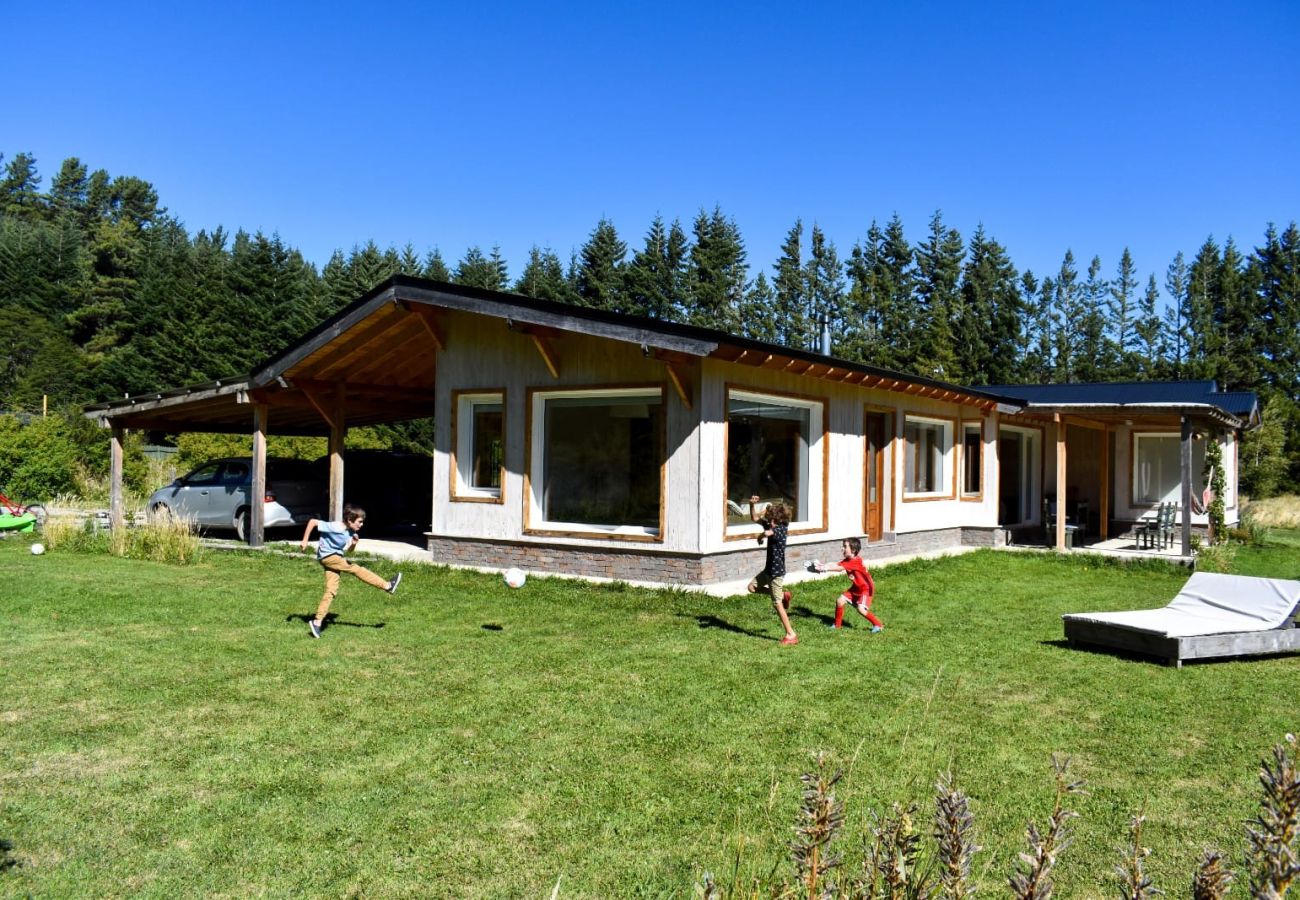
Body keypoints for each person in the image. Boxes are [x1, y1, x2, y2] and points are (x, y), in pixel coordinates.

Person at [301, 503, 402, 638]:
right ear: (350, 520)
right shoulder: (336, 527)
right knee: (355, 568)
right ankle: (387, 585)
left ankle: (317, 622)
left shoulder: (350, 532)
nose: (361, 524)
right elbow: (312, 522)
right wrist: (305, 541)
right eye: (359, 522)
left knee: (331, 589)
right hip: (328, 557)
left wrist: (353, 544)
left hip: (334, 558)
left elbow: (349, 551)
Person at [748, 495, 798, 645]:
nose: (770, 523)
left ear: (779, 520)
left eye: (772, 521)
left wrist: (760, 536)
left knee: (777, 604)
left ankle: (791, 634)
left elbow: (770, 533)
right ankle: (783, 595)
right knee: (752, 587)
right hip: (768, 570)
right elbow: (755, 518)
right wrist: (752, 505)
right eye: (770, 521)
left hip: (776, 573)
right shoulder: (772, 525)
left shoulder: (782, 529)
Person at [815, 537, 882, 632]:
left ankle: (878, 625)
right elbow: (837, 565)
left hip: (865, 589)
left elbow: (839, 568)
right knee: (840, 601)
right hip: (856, 587)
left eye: (845, 546)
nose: (842, 548)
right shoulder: (848, 560)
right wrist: (823, 566)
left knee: (861, 609)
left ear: (853, 550)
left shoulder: (855, 561)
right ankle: (837, 625)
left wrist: (825, 568)